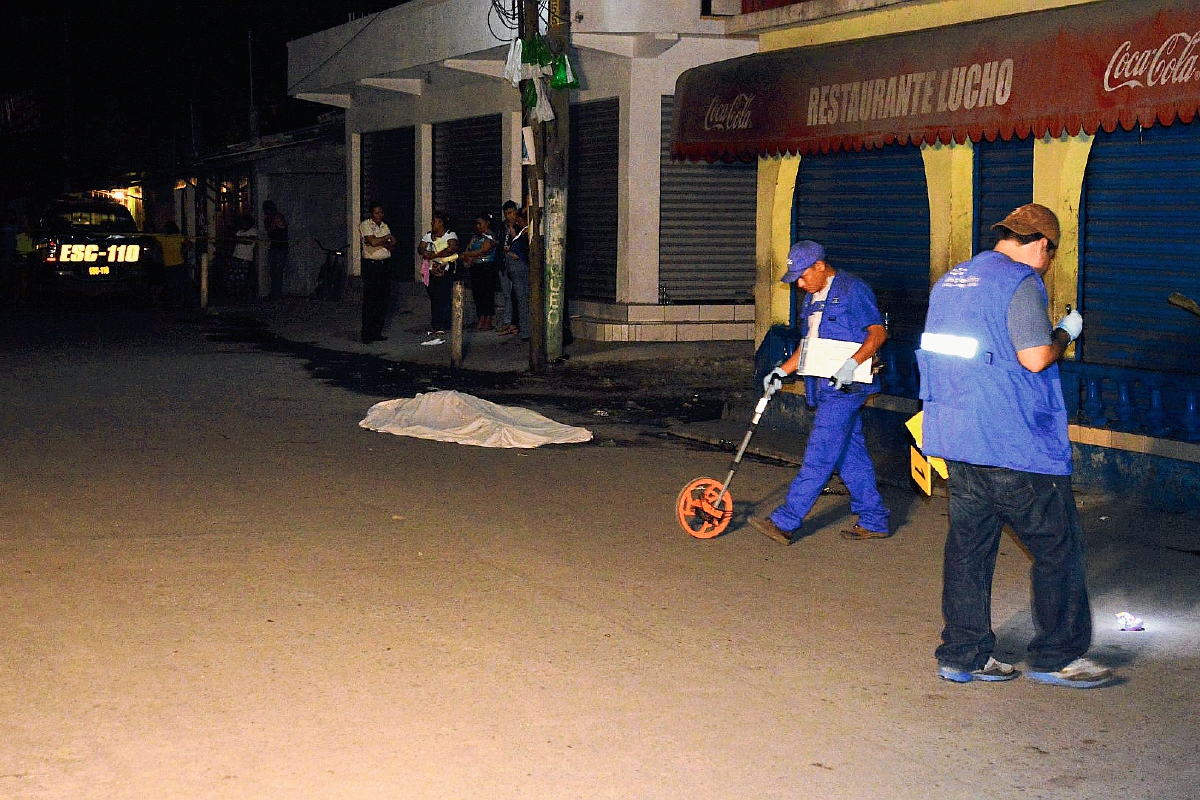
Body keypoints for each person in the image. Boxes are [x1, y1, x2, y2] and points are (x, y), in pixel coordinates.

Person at [918, 203, 1113, 688]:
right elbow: (1033, 358)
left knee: (968, 549)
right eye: (1049, 254)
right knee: (1057, 547)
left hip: (957, 438)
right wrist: (1065, 333)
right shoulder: (1021, 282)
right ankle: (1057, 657)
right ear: (1042, 245)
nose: (1046, 263)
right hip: (1011, 442)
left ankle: (963, 656)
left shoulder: (951, 280)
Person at [750, 240, 891, 545]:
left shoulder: (854, 290)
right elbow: (807, 345)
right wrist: (780, 372)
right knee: (848, 453)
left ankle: (786, 521)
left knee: (820, 452)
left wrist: (850, 365)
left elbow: (878, 333)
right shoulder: (811, 299)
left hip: (846, 385)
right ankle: (874, 518)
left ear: (819, 266)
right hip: (823, 386)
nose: (800, 285)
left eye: (803, 277)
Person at [417, 211, 459, 345]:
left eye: (434, 221)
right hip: (430, 270)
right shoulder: (429, 235)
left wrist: (434, 255)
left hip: (444, 270)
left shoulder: (450, 235)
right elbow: (420, 248)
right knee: (434, 297)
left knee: (443, 297)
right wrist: (426, 253)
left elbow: (452, 249)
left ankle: (444, 324)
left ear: (440, 223)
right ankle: (435, 323)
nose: (432, 224)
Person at [360, 203, 397, 344]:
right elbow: (372, 241)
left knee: (382, 300)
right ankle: (367, 333)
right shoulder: (366, 225)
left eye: (380, 212)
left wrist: (380, 241)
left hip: (384, 264)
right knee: (370, 300)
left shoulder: (384, 226)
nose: (379, 215)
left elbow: (391, 245)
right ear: (371, 214)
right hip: (372, 265)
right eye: (376, 213)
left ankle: (377, 332)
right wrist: (385, 238)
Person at [459, 210, 499, 332]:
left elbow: (483, 250)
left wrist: (468, 254)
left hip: (487, 267)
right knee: (477, 294)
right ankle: (481, 318)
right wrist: (468, 257)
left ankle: (488, 319)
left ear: (487, 223)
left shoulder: (491, 236)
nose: (478, 226)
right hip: (475, 268)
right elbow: (469, 248)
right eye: (476, 224)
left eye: (480, 224)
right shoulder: (476, 237)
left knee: (486, 294)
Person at [498, 200, 531, 342]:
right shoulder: (515, 230)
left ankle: (525, 331)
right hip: (512, 269)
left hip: (521, 269)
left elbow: (523, 250)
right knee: (516, 298)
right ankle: (520, 328)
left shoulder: (524, 232)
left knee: (523, 300)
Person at [262, 200, 288, 299]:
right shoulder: (267, 219)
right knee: (273, 270)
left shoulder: (277, 217)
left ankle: (277, 292)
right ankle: (274, 291)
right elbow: (269, 231)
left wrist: (272, 222)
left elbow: (278, 228)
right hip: (274, 246)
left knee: (278, 270)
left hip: (281, 246)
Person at [229, 215, 257, 303]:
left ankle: (244, 296)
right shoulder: (240, 231)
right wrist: (240, 239)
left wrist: (240, 239)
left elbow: (249, 241)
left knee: (243, 278)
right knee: (234, 277)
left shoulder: (253, 231)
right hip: (236, 256)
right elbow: (235, 239)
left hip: (245, 258)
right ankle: (236, 296)